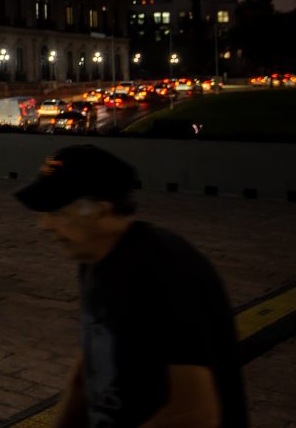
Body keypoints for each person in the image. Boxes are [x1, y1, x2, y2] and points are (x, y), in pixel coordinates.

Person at [14, 145, 248, 428]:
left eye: (58, 212)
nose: (45, 225)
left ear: (100, 211)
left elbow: (195, 414)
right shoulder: (94, 256)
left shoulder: (164, 270)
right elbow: (92, 359)